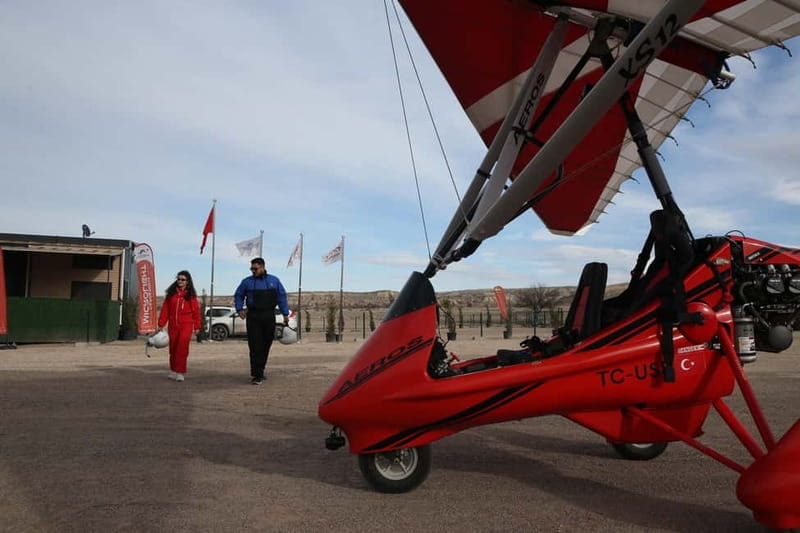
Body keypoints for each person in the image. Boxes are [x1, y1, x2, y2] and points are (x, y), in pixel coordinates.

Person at [234, 257, 290, 385]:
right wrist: (239, 308)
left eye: (255, 268)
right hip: (253, 316)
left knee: (266, 345)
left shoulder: (274, 281)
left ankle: (261, 370)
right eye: (251, 269)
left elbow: (282, 296)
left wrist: (285, 313)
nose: (253, 271)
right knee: (255, 346)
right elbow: (238, 295)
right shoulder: (246, 282)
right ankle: (256, 374)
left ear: (263, 267)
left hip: (269, 315)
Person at [157, 270, 201, 382]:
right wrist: (161, 324)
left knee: (182, 347)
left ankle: (180, 372)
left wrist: (197, 326)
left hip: (186, 325)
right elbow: (165, 310)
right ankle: (173, 370)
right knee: (173, 348)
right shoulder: (171, 294)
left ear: (187, 282)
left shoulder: (190, 296)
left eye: (183, 279)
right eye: (178, 279)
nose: (180, 281)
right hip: (173, 325)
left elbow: (196, 311)